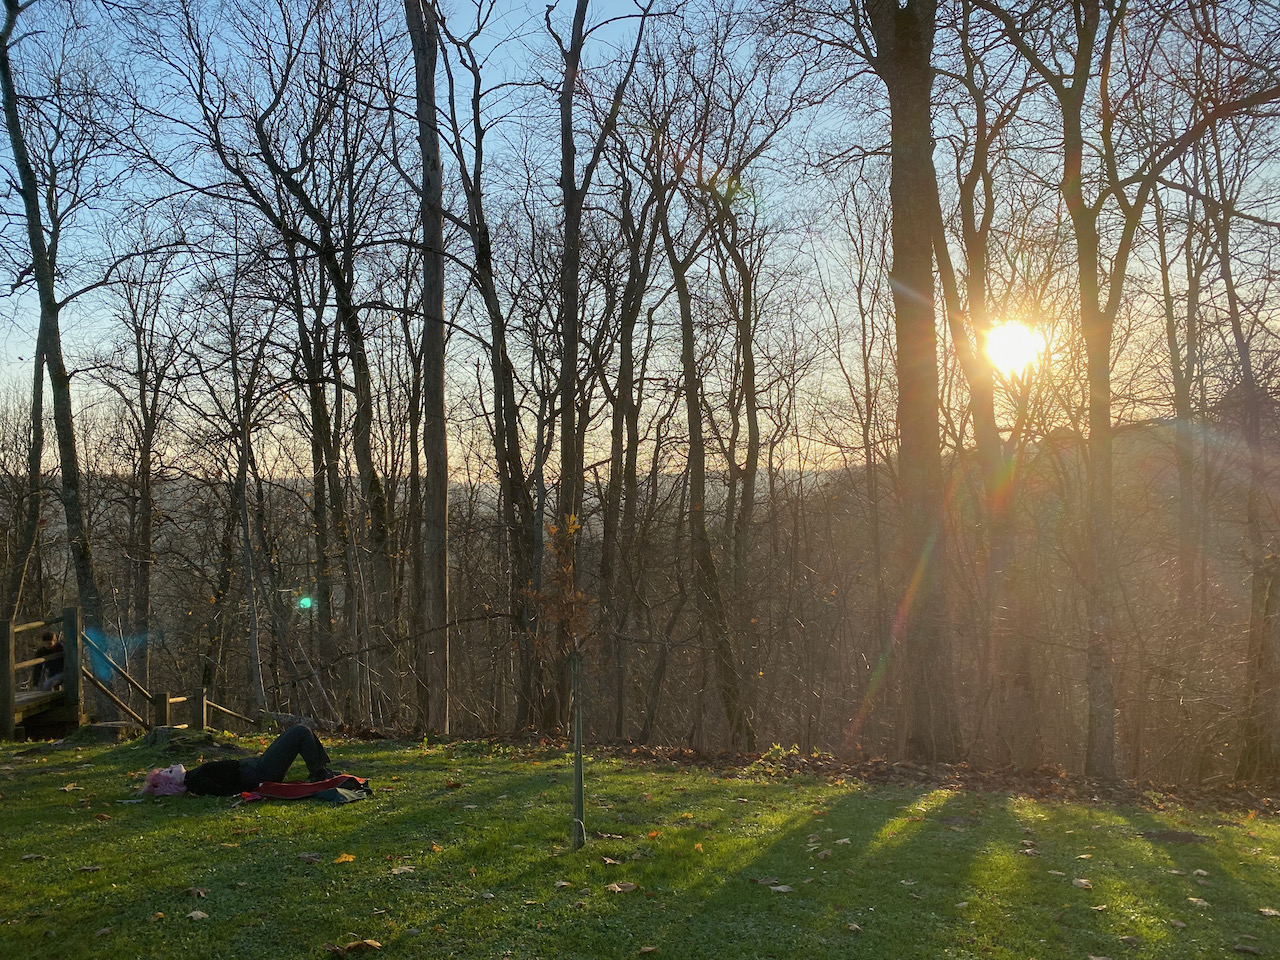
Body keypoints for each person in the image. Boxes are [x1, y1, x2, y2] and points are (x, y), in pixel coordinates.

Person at [139, 724, 339, 797]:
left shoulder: (194, 776)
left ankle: (320, 770)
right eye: (169, 771)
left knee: (299, 731)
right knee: (300, 731)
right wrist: (256, 789)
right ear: (173, 784)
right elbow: (226, 789)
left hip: (258, 765)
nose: (171, 766)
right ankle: (319, 773)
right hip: (260, 772)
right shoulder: (197, 782)